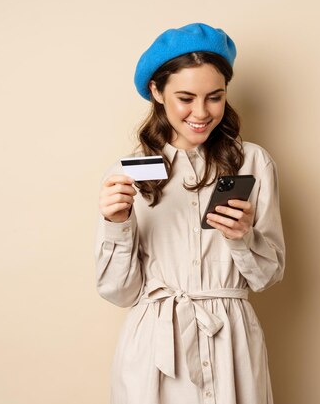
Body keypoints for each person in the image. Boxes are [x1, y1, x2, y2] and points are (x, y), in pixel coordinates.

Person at [95, 22, 285, 404]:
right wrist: (117, 226)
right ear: (156, 91)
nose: (201, 112)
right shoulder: (129, 171)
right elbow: (119, 292)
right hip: (155, 347)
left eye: (215, 97)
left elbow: (267, 277)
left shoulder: (253, 162)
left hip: (231, 341)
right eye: (186, 97)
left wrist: (242, 237)